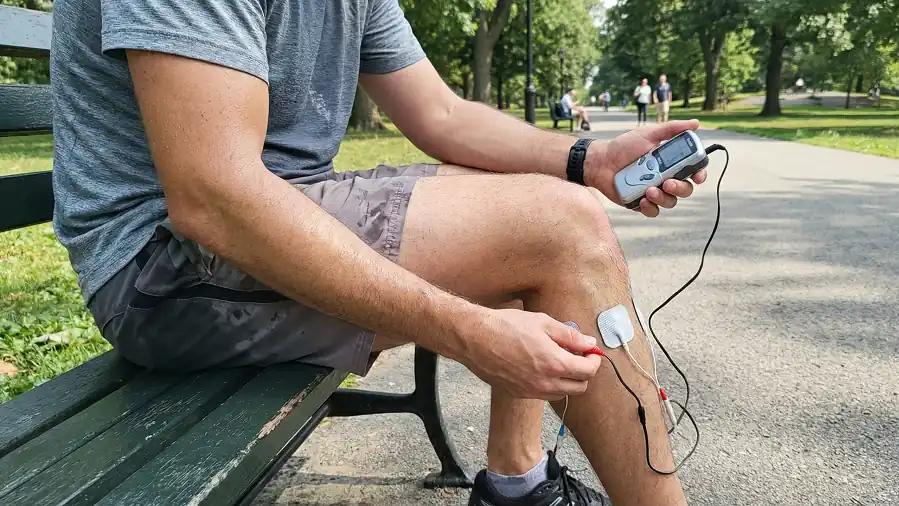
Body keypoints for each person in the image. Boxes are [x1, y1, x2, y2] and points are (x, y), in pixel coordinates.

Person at [50, 1, 708, 505]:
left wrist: (585, 160)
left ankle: (519, 480)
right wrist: (467, 329)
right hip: (160, 269)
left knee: (533, 199)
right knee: (561, 227)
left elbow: (442, 116)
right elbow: (214, 197)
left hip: (263, 216)